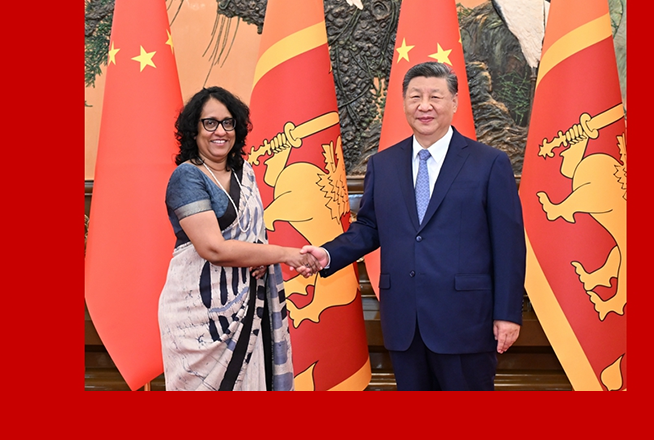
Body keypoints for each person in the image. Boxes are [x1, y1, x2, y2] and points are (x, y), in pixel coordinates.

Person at [302, 62, 526, 391]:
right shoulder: (383, 164)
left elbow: (509, 246)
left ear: (454, 102)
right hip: (404, 323)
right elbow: (370, 227)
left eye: (435, 96)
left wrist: (507, 313)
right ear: (404, 102)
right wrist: (329, 254)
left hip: (466, 322)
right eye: (415, 96)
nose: (424, 105)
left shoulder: (490, 163)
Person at [158, 86, 318, 391]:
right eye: (210, 123)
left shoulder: (245, 173)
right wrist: (284, 254)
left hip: (249, 308)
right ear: (194, 130)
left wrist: (260, 257)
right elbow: (214, 249)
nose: (220, 131)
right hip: (199, 318)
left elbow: (254, 236)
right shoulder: (187, 177)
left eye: (228, 122)